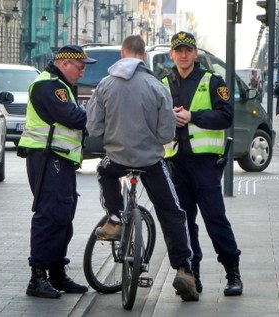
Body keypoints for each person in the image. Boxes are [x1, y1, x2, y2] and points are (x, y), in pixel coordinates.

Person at [86, 35, 199, 302]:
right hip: (150, 161)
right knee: (172, 212)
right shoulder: (156, 86)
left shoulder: (105, 85)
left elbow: (94, 128)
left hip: (117, 158)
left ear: (122, 56)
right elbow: (166, 133)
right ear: (144, 56)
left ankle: (114, 219)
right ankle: (184, 270)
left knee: (104, 171)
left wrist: (113, 137)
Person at [162, 31, 243, 296]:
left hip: (205, 165)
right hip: (176, 164)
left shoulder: (212, 81)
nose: (183, 55)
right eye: (178, 51)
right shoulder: (162, 83)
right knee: (184, 223)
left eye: (188, 50)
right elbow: (153, 118)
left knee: (215, 218)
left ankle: (232, 273)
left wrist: (192, 115)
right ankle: (191, 276)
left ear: (196, 53)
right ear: (171, 54)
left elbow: (226, 116)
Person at [17, 45, 97, 299]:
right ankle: (37, 277)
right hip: (46, 156)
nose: (83, 73)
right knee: (50, 214)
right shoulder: (49, 85)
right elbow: (72, 117)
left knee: (64, 213)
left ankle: (56, 273)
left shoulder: (61, 85)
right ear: (65, 64)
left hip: (59, 158)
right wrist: (97, 113)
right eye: (81, 67)